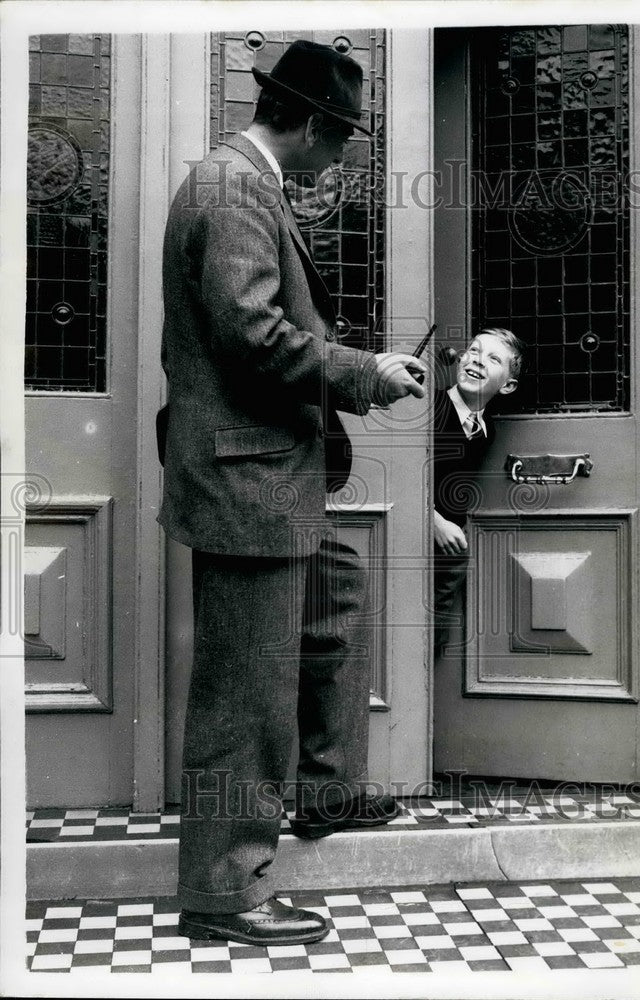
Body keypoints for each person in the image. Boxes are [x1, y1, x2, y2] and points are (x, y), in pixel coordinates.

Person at [157, 40, 427, 947]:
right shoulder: (233, 189)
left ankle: (321, 792)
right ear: (309, 124)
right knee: (244, 699)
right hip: (248, 485)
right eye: (343, 137)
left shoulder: (243, 183)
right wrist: (364, 372)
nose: (344, 155)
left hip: (265, 477)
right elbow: (252, 334)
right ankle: (223, 894)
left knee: (336, 599)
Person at [432, 328, 524, 654]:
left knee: (434, 630)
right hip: (417, 530)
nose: (478, 360)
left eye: (493, 358)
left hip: (446, 551)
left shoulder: (487, 430)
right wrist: (433, 520)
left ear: (508, 385)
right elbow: (403, 473)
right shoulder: (431, 408)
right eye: (474, 350)